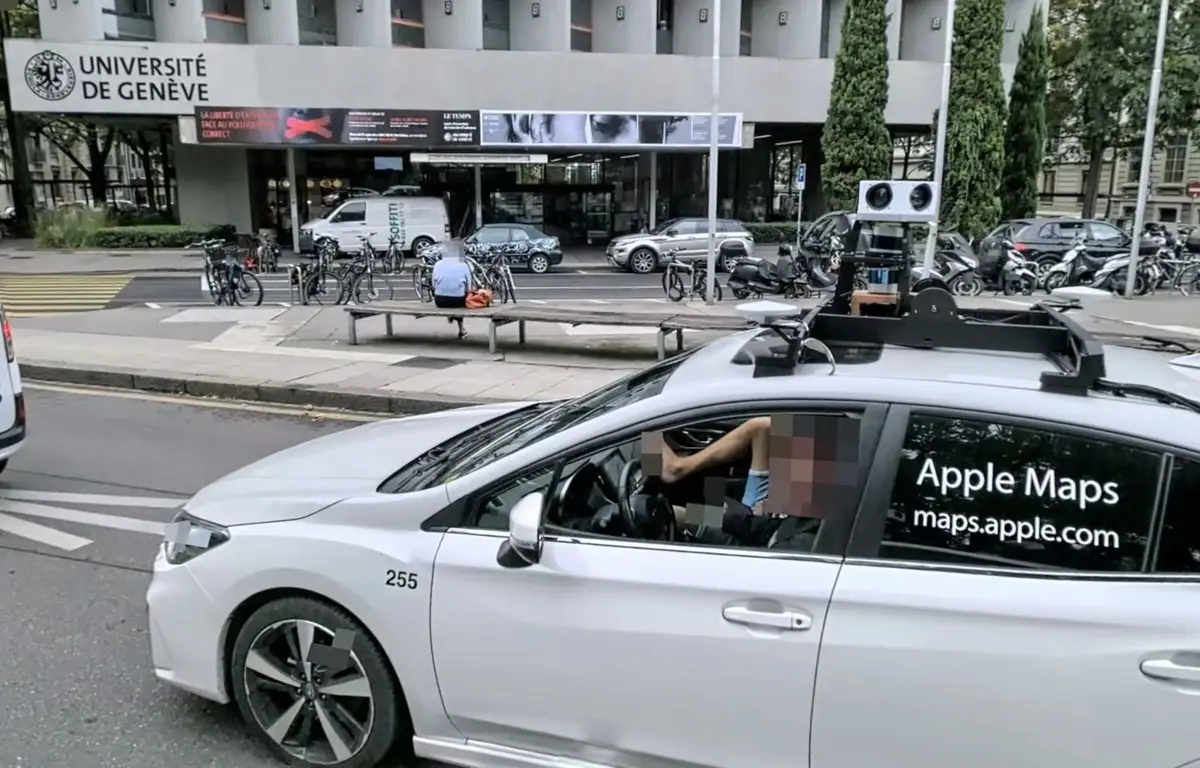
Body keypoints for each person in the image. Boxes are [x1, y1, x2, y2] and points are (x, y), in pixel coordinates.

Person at [657, 417, 771, 512]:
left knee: (667, 513)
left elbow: (765, 427)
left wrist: (650, 427)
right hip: (751, 516)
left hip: (753, 522)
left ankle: (676, 468)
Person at [432, 240, 472, 339]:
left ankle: (451, 317)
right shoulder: (463, 265)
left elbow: (433, 284)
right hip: (457, 300)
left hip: (440, 300)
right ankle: (462, 329)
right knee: (460, 298)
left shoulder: (437, 264)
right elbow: (469, 287)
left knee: (448, 294)